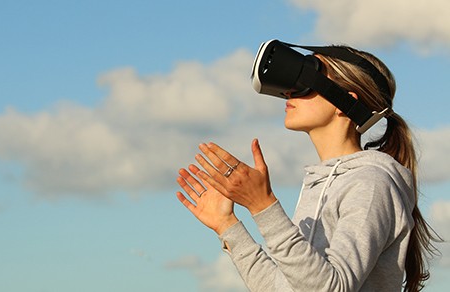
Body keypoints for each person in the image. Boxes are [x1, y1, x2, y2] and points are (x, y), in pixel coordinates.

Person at [176, 43, 440, 291]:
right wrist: (227, 226)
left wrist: (263, 206)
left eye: (306, 81)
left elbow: (332, 287)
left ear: (345, 103)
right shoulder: (319, 184)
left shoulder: (371, 183)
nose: (289, 91)